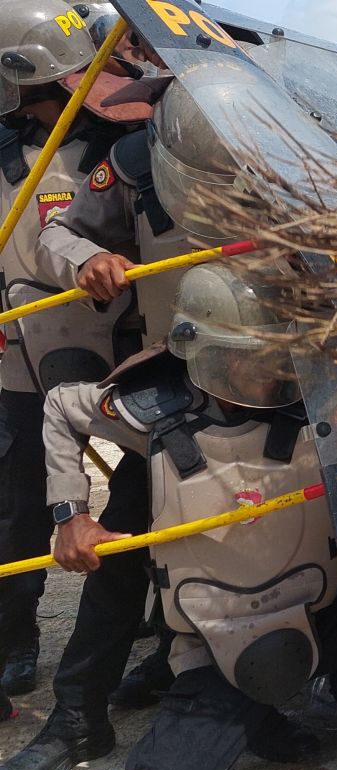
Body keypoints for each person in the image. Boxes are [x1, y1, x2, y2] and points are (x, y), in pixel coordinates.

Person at [0, 69, 296, 770]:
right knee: (126, 549)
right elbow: (57, 226)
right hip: (184, 392)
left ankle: (243, 696)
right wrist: (89, 261)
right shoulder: (132, 163)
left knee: (275, 548)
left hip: (288, 394)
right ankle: (77, 717)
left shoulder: (297, 167)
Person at [40, 264, 337, 770]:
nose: (270, 370)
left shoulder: (316, 392)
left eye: (277, 352)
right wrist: (70, 513)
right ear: (208, 350)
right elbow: (59, 405)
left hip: (320, 613)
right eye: (251, 357)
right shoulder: (151, 409)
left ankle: (268, 714)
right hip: (221, 634)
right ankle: (222, 723)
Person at [0, 0, 150, 703]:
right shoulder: (3, 156)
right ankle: (13, 639)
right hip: (15, 351)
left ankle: (157, 617)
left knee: (145, 485)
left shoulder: (120, 145)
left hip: (120, 337)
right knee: (20, 498)